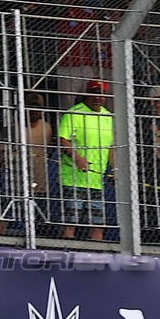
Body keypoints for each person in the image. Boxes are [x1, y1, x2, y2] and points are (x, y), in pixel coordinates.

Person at [58, 81, 115, 241]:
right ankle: (67, 255)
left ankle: (96, 257)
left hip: (97, 180)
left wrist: (115, 170)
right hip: (73, 178)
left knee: (98, 224)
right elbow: (62, 140)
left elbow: (110, 146)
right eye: (94, 93)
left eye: (101, 94)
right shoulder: (73, 113)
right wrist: (78, 158)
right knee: (71, 222)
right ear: (87, 94)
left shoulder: (107, 116)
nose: (98, 97)